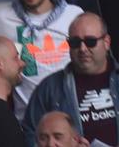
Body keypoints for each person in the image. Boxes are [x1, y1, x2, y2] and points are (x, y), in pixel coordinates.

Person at [23, 13, 119, 141]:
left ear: (107, 42)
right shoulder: (50, 87)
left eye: (90, 41)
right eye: (75, 42)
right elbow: (30, 134)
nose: (82, 48)